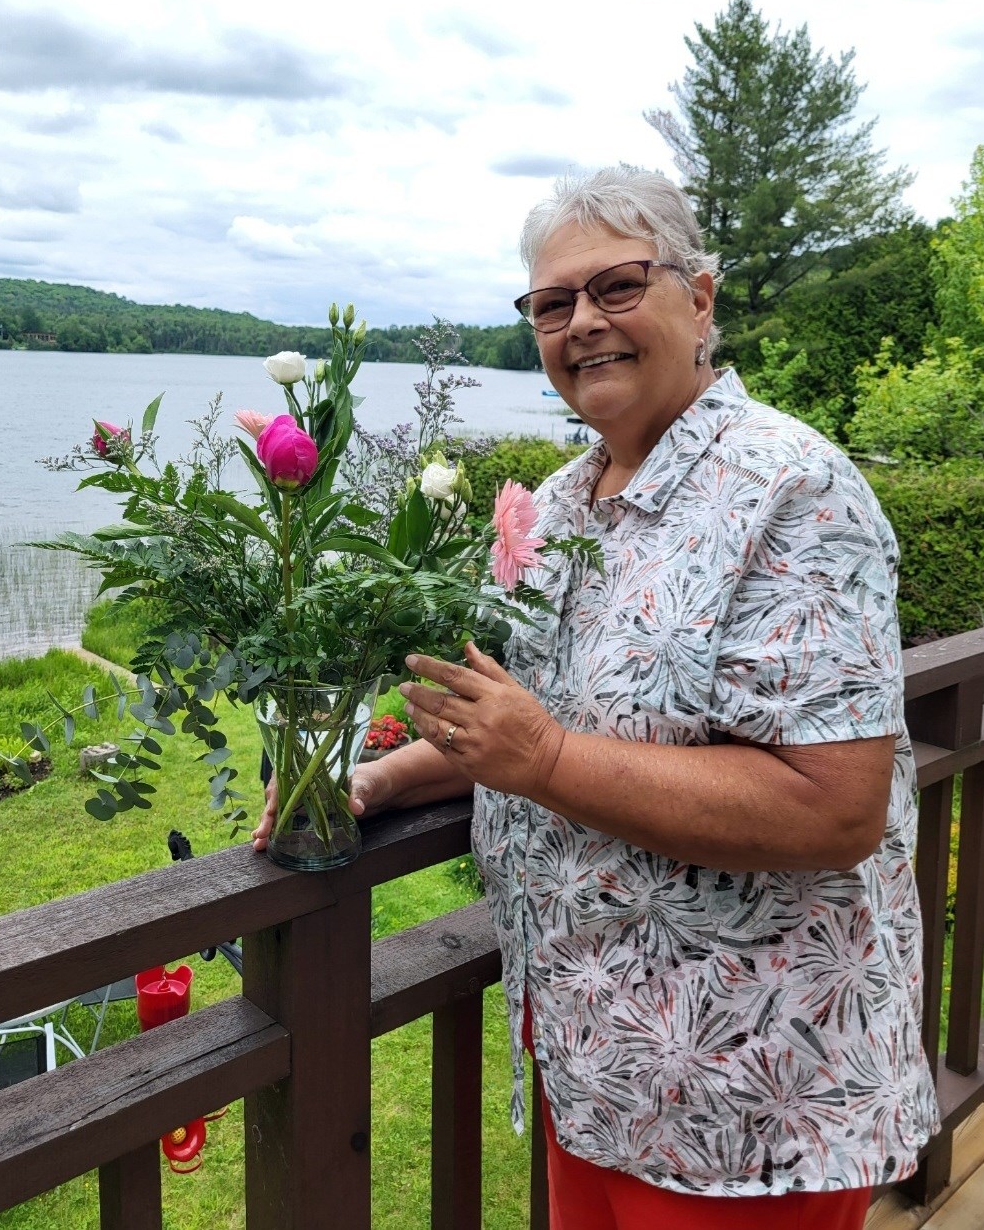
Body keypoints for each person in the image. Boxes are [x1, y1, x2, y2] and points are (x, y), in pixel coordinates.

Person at [253, 167, 940, 1229]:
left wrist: (549, 761)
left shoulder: (793, 489)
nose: (581, 322)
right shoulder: (565, 501)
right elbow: (523, 720)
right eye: (551, 303)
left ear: (698, 299)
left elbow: (834, 806)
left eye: (617, 286)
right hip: (594, 1070)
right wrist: (379, 780)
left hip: (748, 1101)